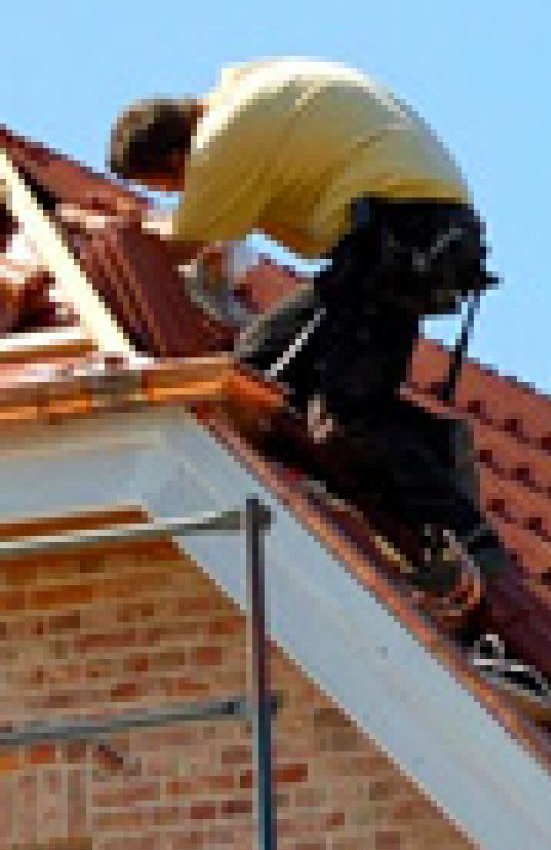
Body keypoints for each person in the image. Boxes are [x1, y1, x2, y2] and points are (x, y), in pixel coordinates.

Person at [107, 58, 509, 577]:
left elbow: (185, 240)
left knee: (347, 414)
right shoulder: (249, 102)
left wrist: (114, 232)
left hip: (400, 236)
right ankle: (392, 479)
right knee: (257, 369)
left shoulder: (225, 134)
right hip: (403, 235)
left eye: (169, 183)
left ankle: (465, 536)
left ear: (175, 153)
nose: (181, 193)